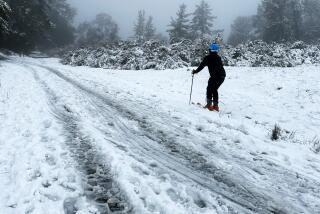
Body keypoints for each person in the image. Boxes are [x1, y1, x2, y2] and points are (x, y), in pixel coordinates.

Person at [192, 43, 226, 112]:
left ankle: (209, 105)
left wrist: (195, 71)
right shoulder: (218, 57)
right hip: (222, 76)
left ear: (210, 49)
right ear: (217, 50)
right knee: (214, 89)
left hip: (215, 77)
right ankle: (215, 106)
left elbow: (201, 66)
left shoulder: (208, 57)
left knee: (209, 89)